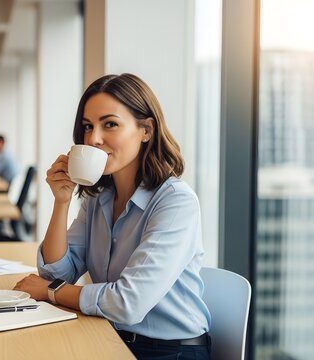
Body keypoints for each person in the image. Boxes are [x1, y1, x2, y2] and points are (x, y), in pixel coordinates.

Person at [14, 73, 211, 359]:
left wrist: (51, 291)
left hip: (169, 352)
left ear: (146, 130)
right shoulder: (98, 198)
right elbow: (57, 273)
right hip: (108, 336)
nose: (94, 139)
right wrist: (61, 201)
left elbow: (127, 303)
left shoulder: (175, 202)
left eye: (110, 124)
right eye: (87, 126)